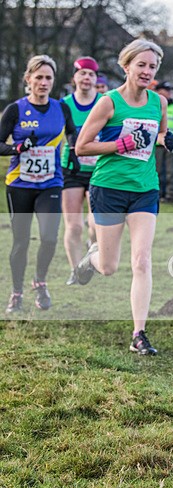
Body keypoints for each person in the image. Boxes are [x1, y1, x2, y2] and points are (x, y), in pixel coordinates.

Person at [73, 39, 173, 355]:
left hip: (145, 189)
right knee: (108, 266)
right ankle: (89, 258)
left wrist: (167, 139)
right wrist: (122, 145)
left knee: (142, 260)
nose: (147, 71)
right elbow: (82, 146)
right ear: (126, 66)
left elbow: (156, 136)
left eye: (152, 66)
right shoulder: (108, 103)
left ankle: (138, 334)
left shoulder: (158, 103)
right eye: (141, 65)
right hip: (108, 188)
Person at [1, 55, 78, 313]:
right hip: (20, 184)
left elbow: (71, 132)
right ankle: (17, 293)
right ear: (28, 79)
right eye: (39, 77)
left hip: (50, 183)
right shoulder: (15, 109)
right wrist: (16, 147)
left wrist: (75, 151)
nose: (44, 83)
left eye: (48, 78)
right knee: (21, 242)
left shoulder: (61, 108)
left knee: (48, 238)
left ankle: (40, 281)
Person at [62, 56, 102, 286]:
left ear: (96, 80)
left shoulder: (104, 103)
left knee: (95, 225)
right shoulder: (64, 105)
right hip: (70, 169)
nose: (86, 77)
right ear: (74, 78)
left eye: (91, 74)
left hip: (98, 170)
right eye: (82, 73)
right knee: (74, 225)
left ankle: (91, 250)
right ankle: (75, 271)